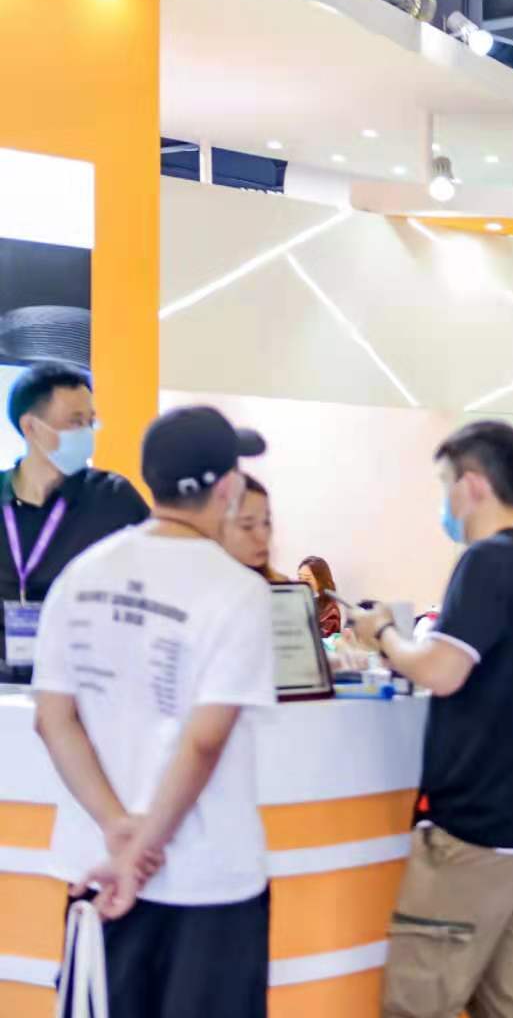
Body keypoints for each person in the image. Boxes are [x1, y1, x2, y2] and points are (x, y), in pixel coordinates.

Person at [32, 406, 273, 1017]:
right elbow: (204, 740)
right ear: (228, 488)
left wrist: (118, 831)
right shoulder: (237, 590)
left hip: (98, 866)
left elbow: (53, 719)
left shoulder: (80, 575)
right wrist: (145, 848)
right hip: (207, 876)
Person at [349, 421, 513, 1018]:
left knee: (418, 1003)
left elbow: (442, 670)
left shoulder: (486, 562)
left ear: (473, 485)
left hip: (475, 828)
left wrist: (383, 634)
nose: (445, 501)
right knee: (507, 1006)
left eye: (446, 484)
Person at [0, 361, 149, 682]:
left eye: (90, 422)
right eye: (75, 422)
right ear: (31, 427)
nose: (87, 432)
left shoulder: (113, 498)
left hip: (89, 682)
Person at [220, 475, 288, 583]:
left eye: (266, 522)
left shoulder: (282, 585)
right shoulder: (204, 585)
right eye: (247, 526)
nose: (262, 536)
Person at [297, 556, 341, 637]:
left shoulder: (331, 610)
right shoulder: (300, 602)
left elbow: (323, 639)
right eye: (300, 578)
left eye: (307, 579)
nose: (301, 583)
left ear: (320, 580)